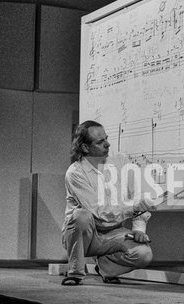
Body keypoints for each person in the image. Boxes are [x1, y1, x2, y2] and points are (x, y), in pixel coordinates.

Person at [61, 120, 157, 285]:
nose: (108, 144)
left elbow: (137, 195)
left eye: (106, 138)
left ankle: (106, 267)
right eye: (100, 142)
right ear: (85, 147)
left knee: (144, 254)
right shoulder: (75, 173)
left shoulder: (120, 160)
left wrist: (139, 228)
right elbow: (97, 213)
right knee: (81, 216)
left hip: (113, 233)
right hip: (86, 235)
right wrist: (131, 209)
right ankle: (76, 272)